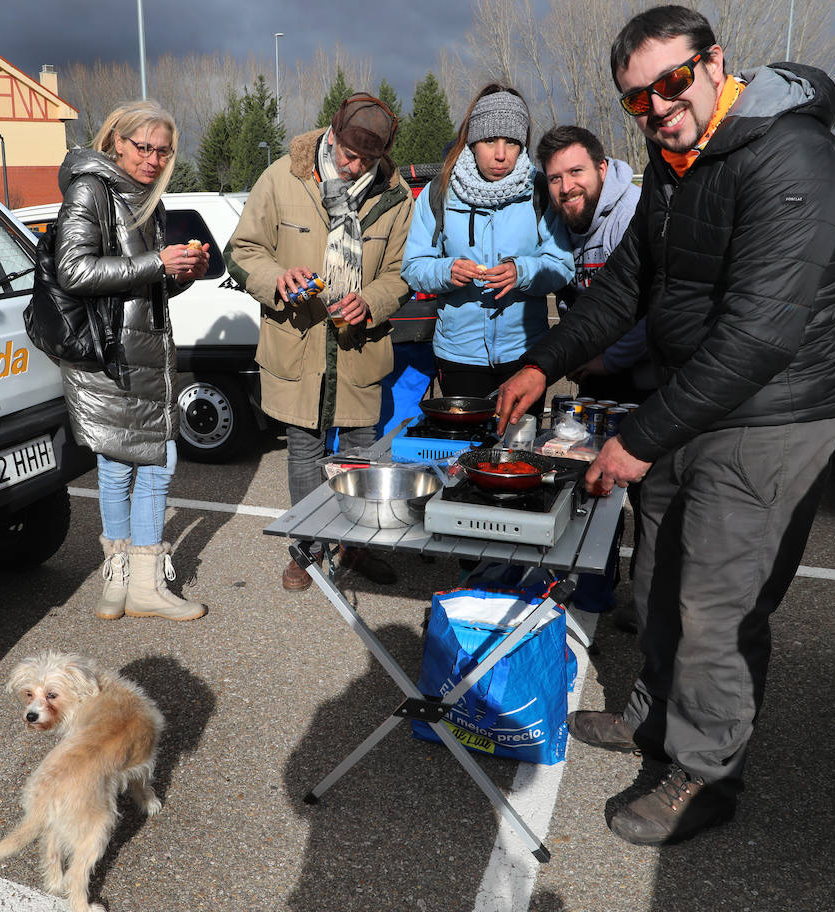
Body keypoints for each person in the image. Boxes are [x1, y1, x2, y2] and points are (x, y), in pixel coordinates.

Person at [495, 5, 835, 845]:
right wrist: (541, 361)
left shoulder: (794, 156)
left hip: (769, 418)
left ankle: (706, 773)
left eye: (672, 81)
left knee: (716, 606)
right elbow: (626, 285)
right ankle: (653, 720)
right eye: (637, 98)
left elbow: (759, 335)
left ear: (715, 62)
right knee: (657, 574)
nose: (659, 105)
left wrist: (637, 438)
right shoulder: (674, 162)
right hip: (686, 406)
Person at [226, 93, 416, 591]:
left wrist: (371, 300)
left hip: (359, 348)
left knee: (360, 452)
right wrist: (278, 278)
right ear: (331, 134)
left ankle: (357, 547)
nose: (354, 168)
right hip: (298, 340)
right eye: (348, 156)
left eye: (366, 161)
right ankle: (308, 547)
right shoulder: (282, 178)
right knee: (304, 451)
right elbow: (242, 251)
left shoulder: (397, 197)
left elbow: (402, 274)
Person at [55, 99, 208, 622]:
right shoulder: (90, 189)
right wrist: (156, 262)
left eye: (162, 152)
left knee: (123, 464)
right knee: (148, 463)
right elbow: (72, 271)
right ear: (115, 141)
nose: (152, 159)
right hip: (107, 352)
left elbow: (146, 291)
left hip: (139, 350)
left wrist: (179, 274)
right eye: (143, 147)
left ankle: (122, 588)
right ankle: (137, 584)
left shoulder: (147, 200)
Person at [400, 85, 570, 409]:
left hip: (525, 354)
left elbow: (561, 264)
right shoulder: (441, 192)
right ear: (473, 142)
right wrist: (446, 271)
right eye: (490, 140)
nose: (501, 154)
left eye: (512, 142)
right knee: (464, 456)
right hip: (459, 358)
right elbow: (414, 265)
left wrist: (522, 272)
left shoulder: (540, 191)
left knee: (519, 454)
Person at [536, 124, 645, 622]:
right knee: (596, 482)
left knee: (650, 494)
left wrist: (607, 360)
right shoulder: (561, 220)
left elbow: (653, 311)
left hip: (646, 373)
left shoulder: (632, 214)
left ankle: (648, 600)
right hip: (597, 372)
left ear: (602, 168)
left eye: (576, 172)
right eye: (555, 178)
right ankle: (598, 587)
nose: (566, 186)